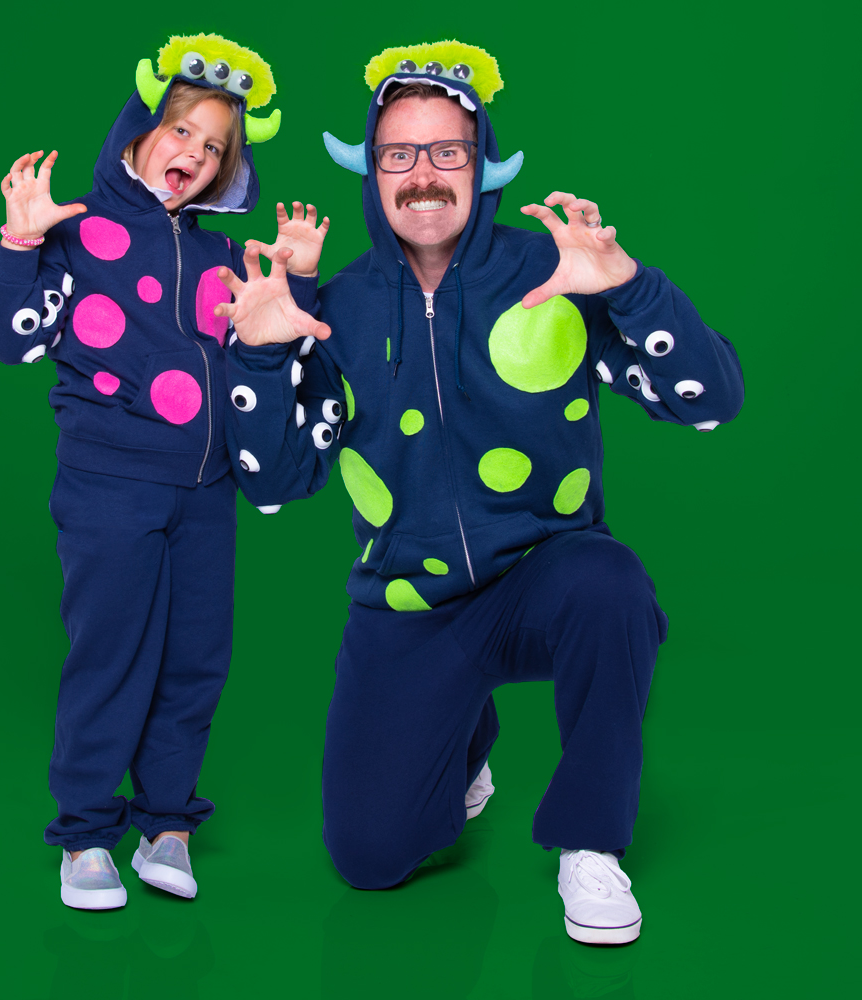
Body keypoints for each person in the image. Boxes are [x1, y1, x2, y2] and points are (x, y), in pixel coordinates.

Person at [217, 40, 743, 944]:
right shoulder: (334, 309)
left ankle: (591, 845)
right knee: (371, 858)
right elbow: (277, 478)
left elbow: (713, 398)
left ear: (482, 161)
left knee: (611, 585)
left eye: (445, 152)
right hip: (409, 605)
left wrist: (628, 288)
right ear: (373, 170)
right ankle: (465, 738)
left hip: (547, 578)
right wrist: (263, 357)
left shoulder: (552, 275)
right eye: (399, 154)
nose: (423, 175)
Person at [0, 32, 328, 910]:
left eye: (215, 147)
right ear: (138, 131)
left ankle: (167, 824)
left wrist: (302, 288)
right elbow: (11, 339)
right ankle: (87, 835)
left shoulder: (221, 259)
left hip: (208, 494)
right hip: (111, 486)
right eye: (181, 129)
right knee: (114, 656)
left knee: (195, 660)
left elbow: (277, 357)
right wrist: (22, 245)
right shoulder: (82, 231)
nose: (196, 153)